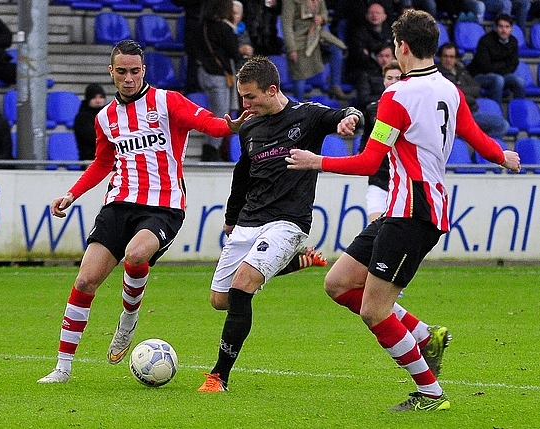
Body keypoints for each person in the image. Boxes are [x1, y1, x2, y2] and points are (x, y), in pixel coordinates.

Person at [286, 10, 521, 411]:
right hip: (404, 210)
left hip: (414, 212)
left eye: (395, 44)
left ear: (403, 47)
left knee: (374, 310)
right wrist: (503, 156)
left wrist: (315, 161)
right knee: (337, 283)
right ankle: (426, 336)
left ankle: (430, 393)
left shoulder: (396, 97)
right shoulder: (449, 88)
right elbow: (472, 132)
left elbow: (366, 162)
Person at [37, 39, 253, 384]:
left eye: (134, 71)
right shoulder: (106, 117)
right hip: (119, 203)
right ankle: (62, 368)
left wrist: (231, 126)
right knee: (85, 279)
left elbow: (208, 124)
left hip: (164, 205)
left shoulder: (167, 102)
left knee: (136, 255)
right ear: (111, 72)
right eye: (121, 71)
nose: (128, 78)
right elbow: (103, 162)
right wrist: (72, 194)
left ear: (144, 71)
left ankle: (128, 318)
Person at [197, 55, 365, 392]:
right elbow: (242, 176)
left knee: (242, 287)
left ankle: (218, 376)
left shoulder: (307, 116)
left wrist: (351, 120)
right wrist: (232, 219)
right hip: (248, 221)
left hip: (288, 221)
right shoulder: (250, 127)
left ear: (272, 90)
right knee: (220, 300)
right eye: (242, 97)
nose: (245, 104)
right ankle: (296, 262)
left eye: (251, 97)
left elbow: (347, 113)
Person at [195, 0, 241, 162]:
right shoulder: (225, 28)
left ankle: (209, 148)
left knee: (213, 114)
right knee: (221, 116)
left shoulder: (202, 26)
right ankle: (212, 150)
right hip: (219, 76)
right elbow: (235, 52)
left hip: (204, 72)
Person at [437, 42, 510, 139]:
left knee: (503, 125)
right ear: (440, 57)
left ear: (456, 58)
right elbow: (450, 95)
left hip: (472, 112)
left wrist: (459, 91)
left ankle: (481, 149)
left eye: (451, 57)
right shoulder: (438, 75)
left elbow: (476, 89)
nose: (448, 60)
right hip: (456, 116)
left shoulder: (461, 71)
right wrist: (465, 93)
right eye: (445, 56)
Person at [360, 61, 401, 222]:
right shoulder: (372, 110)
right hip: (378, 179)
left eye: (398, 78)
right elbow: (366, 139)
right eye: (389, 78)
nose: (393, 82)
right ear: (384, 80)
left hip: (402, 181)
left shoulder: (413, 109)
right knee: (375, 228)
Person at [282, 0, 348, 101]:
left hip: (318, 35)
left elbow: (324, 13)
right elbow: (286, 25)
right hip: (299, 38)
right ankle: (297, 104)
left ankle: (335, 85)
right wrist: (292, 48)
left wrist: (321, 19)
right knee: (299, 74)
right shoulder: (290, 1)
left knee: (336, 49)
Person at [466, 14, 525, 104]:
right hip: (479, 75)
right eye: (501, 26)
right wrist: (504, 64)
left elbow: (513, 64)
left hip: (502, 75)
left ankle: (520, 111)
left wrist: (501, 67)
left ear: (511, 29)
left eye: (507, 27)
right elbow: (485, 67)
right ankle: (496, 112)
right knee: (498, 80)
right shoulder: (485, 40)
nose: (504, 30)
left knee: (519, 81)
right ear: (496, 28)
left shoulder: (513, 41)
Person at [345, 2, 395, 86]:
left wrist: (372, 53)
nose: (374, 15)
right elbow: (360, 57)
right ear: (366, 16)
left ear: (384, 17)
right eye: (371, 13)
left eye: (378, 13)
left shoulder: (391, 33)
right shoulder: (359, 33)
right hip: (365, 71)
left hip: (388, 70)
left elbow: (395, 54)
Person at [354, 43, 395, 112]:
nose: (384, 59)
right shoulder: (366, 74)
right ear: (375, 57)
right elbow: (364, 99)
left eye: (387, 56)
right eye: (381, 56)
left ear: (393, 57)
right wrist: (387, 97)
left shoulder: (400, 73)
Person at [73, 83, 107, 161]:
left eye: (101, 97)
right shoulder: (82, 118)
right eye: (94, 98)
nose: (98, 101)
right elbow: (92, 138)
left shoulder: (109, 114)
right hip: (90, 160)